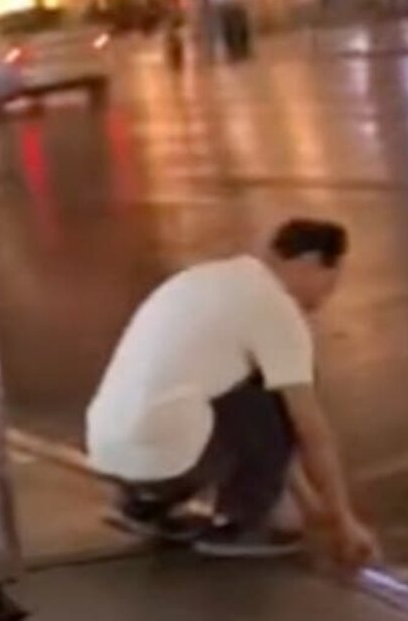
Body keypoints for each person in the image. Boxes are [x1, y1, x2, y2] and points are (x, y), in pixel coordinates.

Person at [86, 219, 378, 561]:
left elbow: (267, 440)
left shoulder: (207, 278)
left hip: (108, 451)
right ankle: (241, 523)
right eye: (331, 281)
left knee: (241, 393)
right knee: (279, 393)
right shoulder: (275, 307)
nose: (328, 295)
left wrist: (313, 507)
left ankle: (144, 503)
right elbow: (307, 428)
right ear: (310, 263)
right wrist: (344, 522)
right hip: (167, 458)